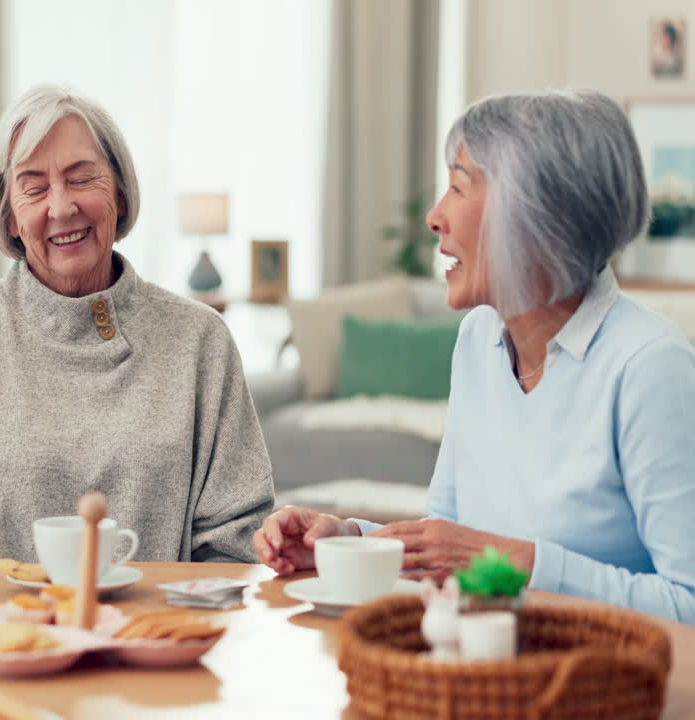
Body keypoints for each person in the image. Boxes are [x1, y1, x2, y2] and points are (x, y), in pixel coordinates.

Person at [256, 89, 695, 624]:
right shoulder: (479, 338)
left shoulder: (649, 367)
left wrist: (519, 563)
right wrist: (346, 539)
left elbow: (688, 603)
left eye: (459, 187)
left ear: (535, 216)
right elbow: (448, 543)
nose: (435, 217)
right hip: (487, 677)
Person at [0, 85, 274, 568]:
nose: (61, 207)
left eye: (82, 178)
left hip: (163, 637)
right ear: (8, 217)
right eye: (34, 186)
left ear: (122, 194)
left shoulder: (201, 341)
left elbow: (236, 545)